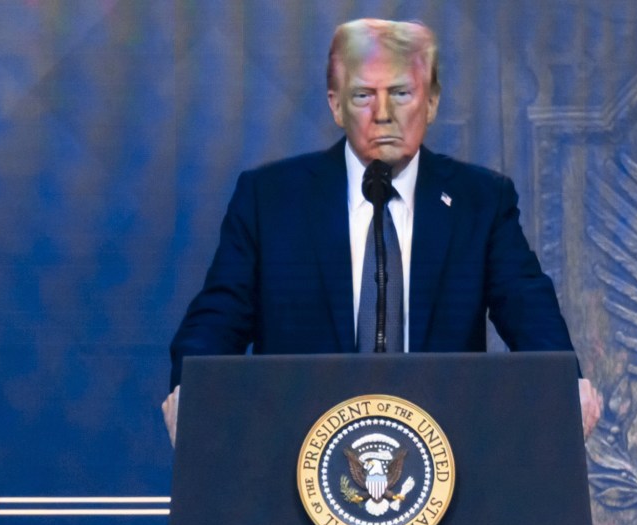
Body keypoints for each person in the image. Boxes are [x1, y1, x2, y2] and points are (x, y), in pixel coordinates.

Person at [162, 18, 600, 442]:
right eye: (363, 96)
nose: (384, 113)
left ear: (431, 102)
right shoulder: (271, 200)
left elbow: (528, 307)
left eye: (402, 93)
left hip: (444, 454)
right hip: (297, 452)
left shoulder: (480, 201)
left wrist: (566, 380)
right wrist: (192, 388)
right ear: (335, 105)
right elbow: (218, 318)